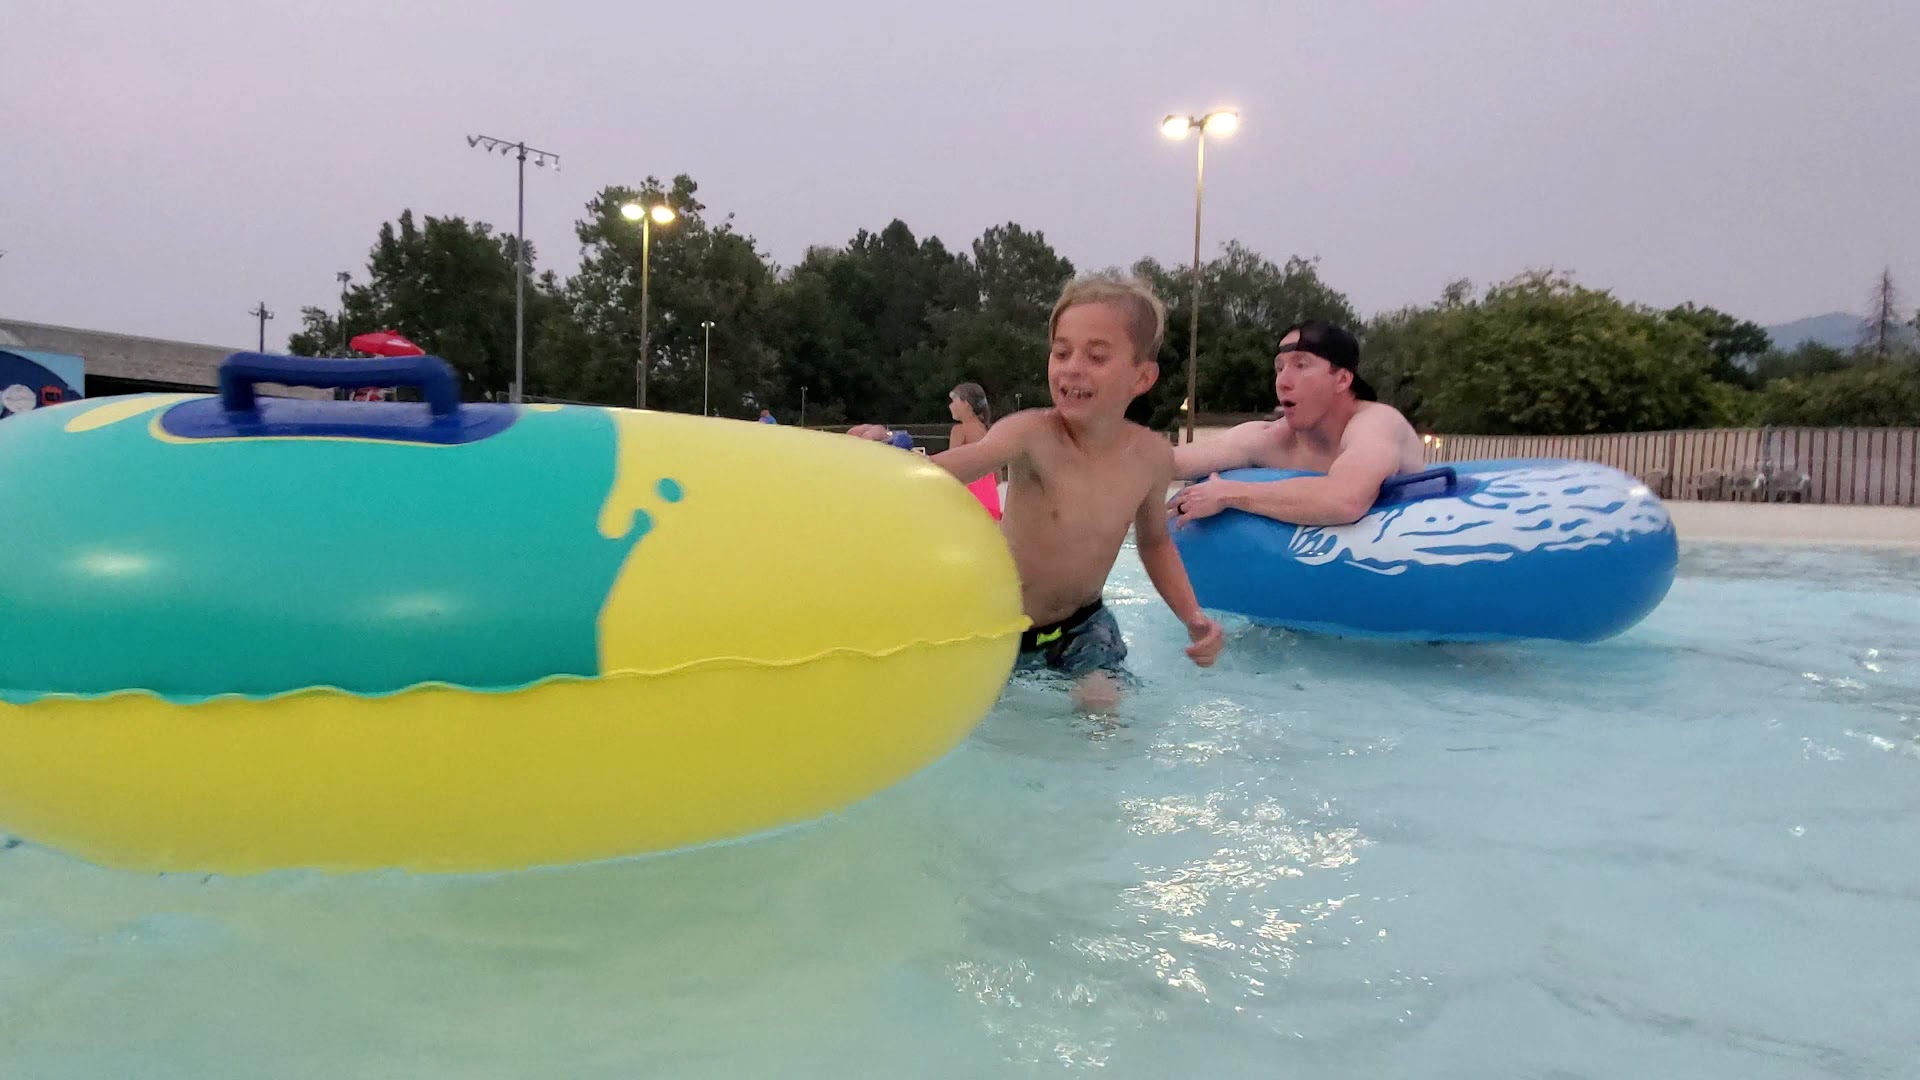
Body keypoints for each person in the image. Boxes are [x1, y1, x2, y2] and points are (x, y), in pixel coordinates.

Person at [852, 273, 1223, 710]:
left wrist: (1192, 616)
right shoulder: (1031, 435)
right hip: (998, 626)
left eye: (1096, 356)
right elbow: (952, 469)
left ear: (1142, 377)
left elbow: (1155, 543)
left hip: (1083, 627)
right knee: (968, 712)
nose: (1072, 367)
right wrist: (876, 464)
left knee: (1104, 708)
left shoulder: (1151, 458)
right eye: (1061, 352)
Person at [1167, 319, 1426, 528]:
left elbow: (1345, 499)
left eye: (1301, 365)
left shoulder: (1377, 423)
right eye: (1279, 369)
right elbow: (1170, 462)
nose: (1282, 382)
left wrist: (1228, 494)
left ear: (1342, 379)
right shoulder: (1275, 438)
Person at [946, 382, 1002, 520]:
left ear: (965, 403)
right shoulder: (989, 431)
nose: (950, 406)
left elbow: (951, 468)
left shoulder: (960, 431)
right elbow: (998, 478)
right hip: (991, 501)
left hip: (969, 501)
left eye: (953, 401)